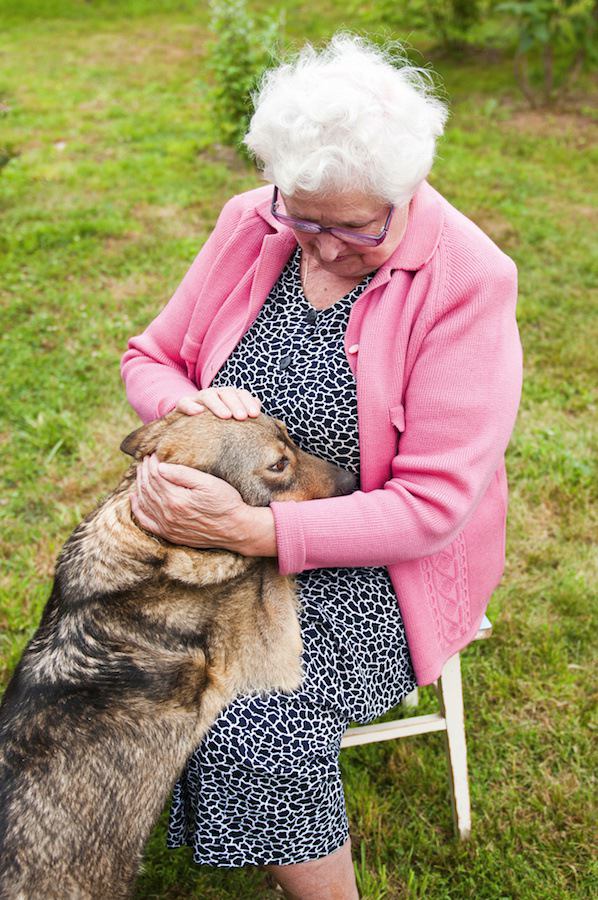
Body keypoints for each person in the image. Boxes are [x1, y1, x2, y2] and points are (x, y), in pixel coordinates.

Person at [122, 34, 522, 899]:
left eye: (355, 227)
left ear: (406, 191)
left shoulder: (469, 281)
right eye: (304, 220)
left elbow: (429, 507)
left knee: (247, 709)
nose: (324, 250)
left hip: (382, 566)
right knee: (120, 647)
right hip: (233, 527)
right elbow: (149, 358)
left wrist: (258, 530)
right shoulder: (251, 220)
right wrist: (184, 407)